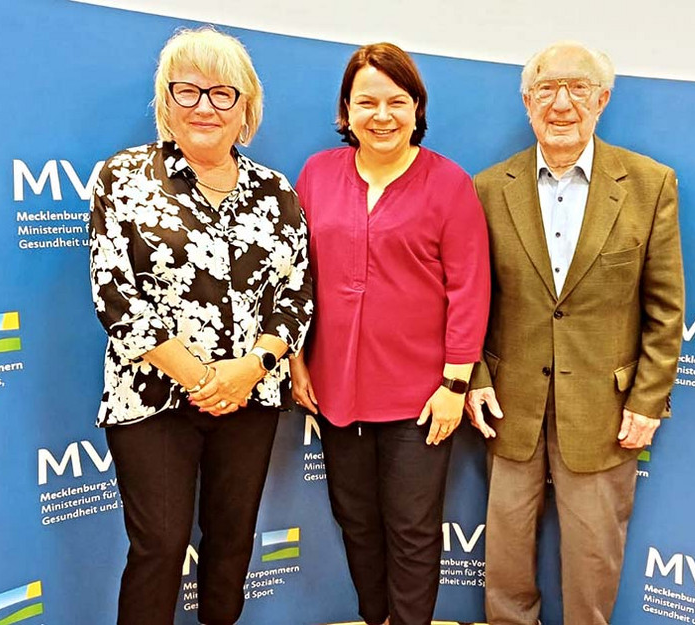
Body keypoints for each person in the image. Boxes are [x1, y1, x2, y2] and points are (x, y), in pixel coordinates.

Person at [88, 27, 312, 625]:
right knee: (159, 548)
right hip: (151, 398)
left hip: (251, 399)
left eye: (221, 93)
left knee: (232, 544)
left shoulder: (276, 191)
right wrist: (201, 379)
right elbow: (116, 297)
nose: (204, 107)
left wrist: (250, 370)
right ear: (166, 102)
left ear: (246, 108)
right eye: (186, 92)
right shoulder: (122, 178)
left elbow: (295, 296)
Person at [466, 41, 685, 625]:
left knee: (593, 561)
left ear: (603, 99)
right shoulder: (488, 189)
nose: (561, 104)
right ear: (527, 102)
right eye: (546, 90)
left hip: (607, 410)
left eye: (578, 89)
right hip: (510, 406)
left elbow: (665, 307)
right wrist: (476, 377)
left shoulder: (648, 184)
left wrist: (648, 398)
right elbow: (470, 298)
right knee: (506, 561)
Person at [289, 43, 490, 625]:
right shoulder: (317, 173)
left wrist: (455, 384)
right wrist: (299, 361)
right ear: (346, 111)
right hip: (334, 390)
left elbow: (470, 290)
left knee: (412, 529)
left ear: (417, 107)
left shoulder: (449, 184)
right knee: (357, 522)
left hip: (420, 398)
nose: (382, 115)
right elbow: (296, 276)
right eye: (367, 101)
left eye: (397, 101)